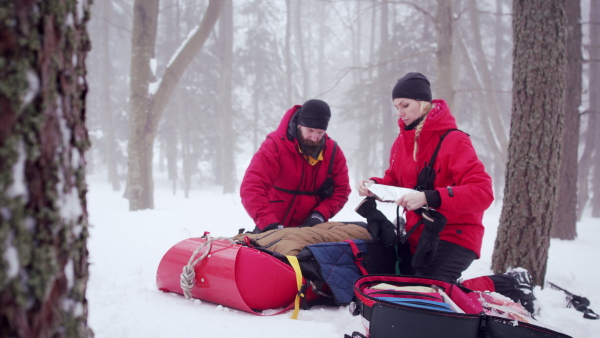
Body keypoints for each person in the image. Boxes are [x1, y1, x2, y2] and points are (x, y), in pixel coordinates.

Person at [357, 72, 494, 282]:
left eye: (405, 105)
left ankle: (499, 288)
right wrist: (375, 186)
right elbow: (395, 182)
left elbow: (483, 193)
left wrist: (430, 197)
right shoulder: (401, 143)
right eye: (396, 107)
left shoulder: (454, 140)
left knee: (427, 293)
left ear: (423, 103)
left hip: (455, 235)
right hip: (418, 235)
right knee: (396, 288)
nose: (399, 113)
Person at [241, 99, 351, 233]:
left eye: (320, 132)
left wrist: (320, 214)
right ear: (299, 125)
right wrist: (269, 223)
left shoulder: (333, 152)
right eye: (310, 130)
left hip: (311, 231)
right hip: (272, 227)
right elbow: (252, 188)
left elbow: (341, 191)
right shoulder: (275, 145)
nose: (315, 137)